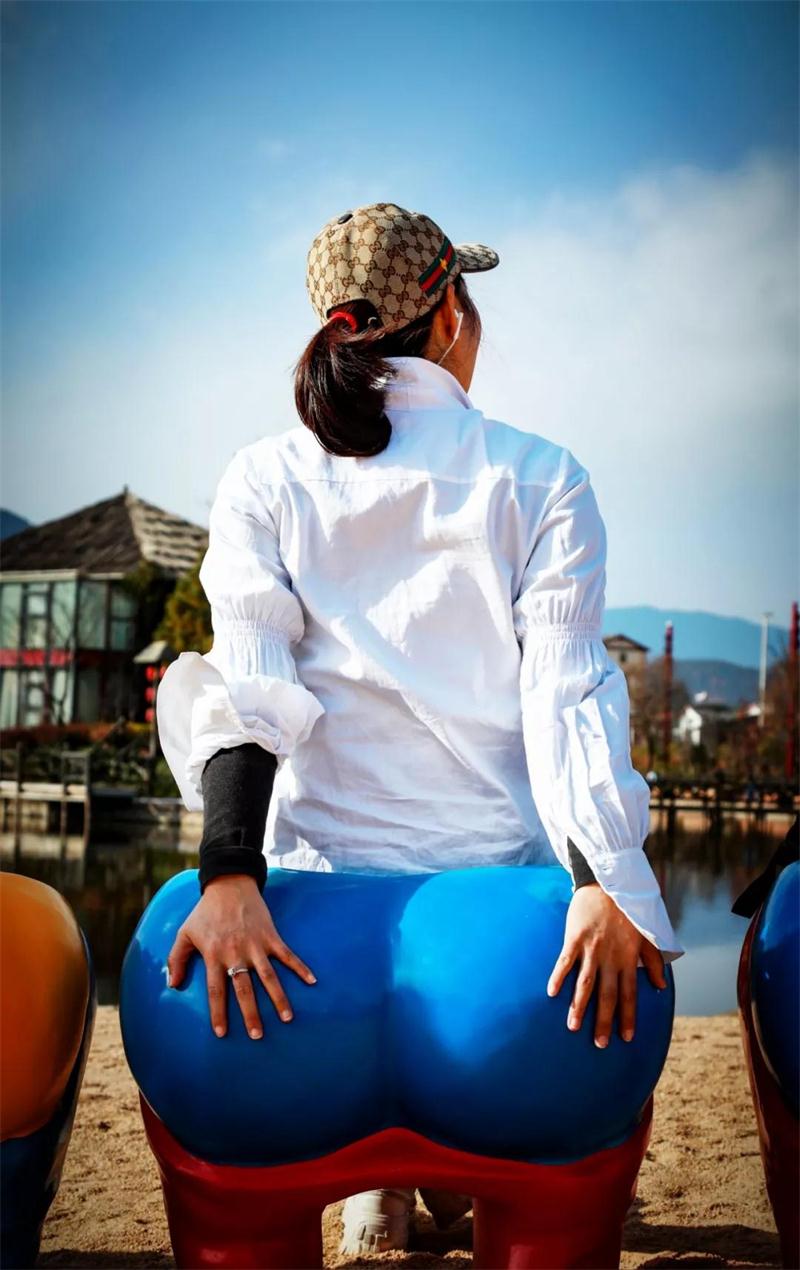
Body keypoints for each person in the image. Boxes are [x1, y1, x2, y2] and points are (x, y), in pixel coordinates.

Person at [157, 202, 685, 1255]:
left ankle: (377, 1190)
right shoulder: (541, 475)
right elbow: (566, 697)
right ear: (449, 315)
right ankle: (460, 1174)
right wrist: (602, 880)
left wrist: (228, 874)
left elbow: (250, 691)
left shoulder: (263, 476)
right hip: (502, 943)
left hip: (303, 943)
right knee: (594, 1051)